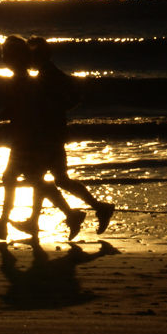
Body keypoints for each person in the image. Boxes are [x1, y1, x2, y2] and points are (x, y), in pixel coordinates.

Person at [0, 35, 82, 239]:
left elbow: (18, 108)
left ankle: (5, 223)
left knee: (16, 178)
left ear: (13, 57)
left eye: (5, 54)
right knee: (35, 181)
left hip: (25, 140)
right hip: (28, 138)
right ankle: (69, 215)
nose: (3, 58)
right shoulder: (26, 78)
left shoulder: (19, 79)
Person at [17, 36, 115, 239]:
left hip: (50, 135)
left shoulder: (49, 76)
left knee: (43, 178)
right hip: (52, 133)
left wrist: (56, 111)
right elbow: (76, 97)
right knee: (53, 179)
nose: (28, 59)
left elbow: (74, 98)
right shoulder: (49, 74)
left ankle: (80, 212)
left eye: (31, 55)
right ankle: (91, 210)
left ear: (40, 55)